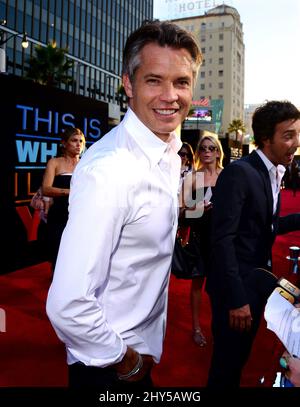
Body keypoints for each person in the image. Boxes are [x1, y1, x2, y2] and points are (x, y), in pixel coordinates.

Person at [46, 20, 202, 388]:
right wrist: (126, 360)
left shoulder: (168, 152)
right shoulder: (110, 170)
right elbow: (67, 305)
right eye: (154, 80)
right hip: (109, 365)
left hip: (139, 349)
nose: (170, 95)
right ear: (128, 83)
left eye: (181, 82)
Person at [206, 100, 300, 388]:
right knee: (226, 366)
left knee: (238, 360)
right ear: (265, 139)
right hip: (235, 291)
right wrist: (236, 299)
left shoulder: (272, 172)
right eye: (287, 135)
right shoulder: (240, 173)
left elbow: (265, 227)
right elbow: (221, 240)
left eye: (297, 134)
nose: (295, 143)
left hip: (255, 283)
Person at [186, 134, 224, 346]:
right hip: (200, 237)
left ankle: (219, 325)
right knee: (197, 284)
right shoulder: (194, 178)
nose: (207, 152)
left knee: (220, 284)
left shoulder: (227, 176)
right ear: (199, 152)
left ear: (218, 151)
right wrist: (198, 210)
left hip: (221, 238)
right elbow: (184, 213)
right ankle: (197, 327)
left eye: (211, 148)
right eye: (203, 148)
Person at [42, 127, 85, 270]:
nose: (78, 144)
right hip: (59, 216)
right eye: (74, 140)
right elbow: (46, 189)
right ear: (64, 143)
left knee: (80, 256)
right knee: (59, 257)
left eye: (81, 141)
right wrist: (70, 192)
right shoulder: (54, 162)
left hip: (81, 216)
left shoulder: (87, 164)